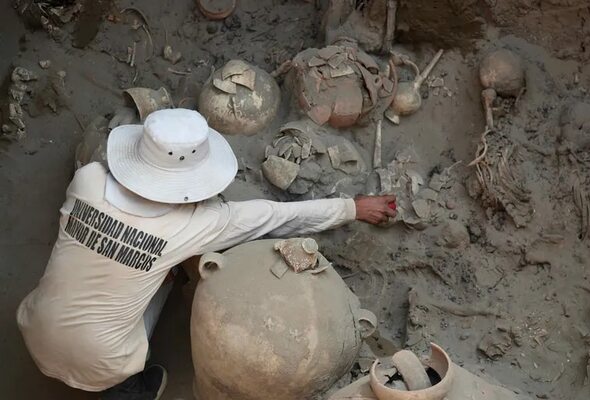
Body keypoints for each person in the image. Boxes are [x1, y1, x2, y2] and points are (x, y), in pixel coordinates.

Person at [16, 108, 397, 400]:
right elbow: (278, 217)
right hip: (104, 365)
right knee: (167, 279)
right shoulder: (199, 224)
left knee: (139, 272)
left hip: (33, 325)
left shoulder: (89, 179)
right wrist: (354, 208)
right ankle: (129, 389)